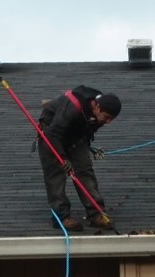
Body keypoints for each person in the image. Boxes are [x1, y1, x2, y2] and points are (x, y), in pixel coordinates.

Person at [37, 85, 121, 232]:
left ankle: (96, 214)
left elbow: (88, 129)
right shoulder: (73, 108)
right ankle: (61, 217)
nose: (108, 122)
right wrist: (63, 158)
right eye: (107, 117)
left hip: (75, 137)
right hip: (51, 135)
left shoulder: (99, 109)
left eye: (111, 119)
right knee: (56, 175)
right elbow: (53, 134)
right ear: (97, 106)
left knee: (85, 170)